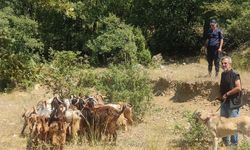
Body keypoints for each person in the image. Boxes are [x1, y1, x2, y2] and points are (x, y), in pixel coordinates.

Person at [219, 56, 242, 146]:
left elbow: (238, 88)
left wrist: (227, 94)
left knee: (233, 125)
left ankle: (234, 144)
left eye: (225, 63)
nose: (224, 65)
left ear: (230, 64)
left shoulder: (234, 74)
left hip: (233, 103)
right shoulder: (223, 74)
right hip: (224, 102)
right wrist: (220, 96)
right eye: (222, 63)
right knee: (223, 123)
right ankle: (225, 143)